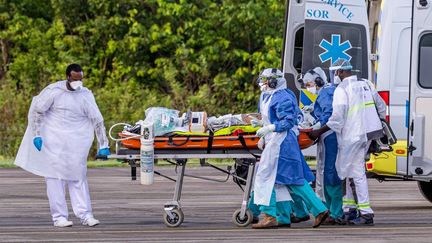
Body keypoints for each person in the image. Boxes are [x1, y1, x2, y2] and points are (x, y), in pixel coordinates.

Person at [15, 64, 111, 227]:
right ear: (67, 77)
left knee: (78, 176)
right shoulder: (54, 92)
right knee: (55, 178)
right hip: (54, 141)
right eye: (74, 79)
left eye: (80, 79)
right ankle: (59, 217)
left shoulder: (85, 95)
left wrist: (103, 144)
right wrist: (37, 134)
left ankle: (85, 215)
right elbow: (38, 111)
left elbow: (97, 120)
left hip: (77, 142)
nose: (78, 83)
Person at [308, 59, 386, 225]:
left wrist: (317, 132)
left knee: (346, 172)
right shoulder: (366, 84)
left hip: (350, 137)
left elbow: (336, 118)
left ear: (339, 72)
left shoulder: (341, 90)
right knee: (352, 172)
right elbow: (381, 106)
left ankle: (365, 213)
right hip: (365, 136)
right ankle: (350, 210)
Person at [251, 68, 329, 229]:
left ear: (273, 81)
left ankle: (270, 215)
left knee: (270, 178)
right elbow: (271, 118)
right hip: (276, 141)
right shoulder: (269, 95)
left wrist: (269, 128)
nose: (262, 84)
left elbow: (287, 121)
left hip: (282, 143)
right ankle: (284, 216)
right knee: (283, 180)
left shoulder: (282, 97)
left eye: (265, 81)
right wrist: (262, 126)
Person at [303, 67, 344, 225]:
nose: (308, 87)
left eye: (309, 84)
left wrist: (316, 129)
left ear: (318, 81)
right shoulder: (326, 92)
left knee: (330, 172)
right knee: (326, 171)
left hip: (329, 135)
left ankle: (335, 212)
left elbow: (328, 115)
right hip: (328, 136)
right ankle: (330, 209)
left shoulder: (326, 92)